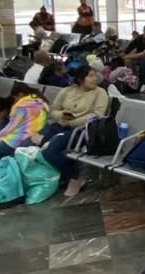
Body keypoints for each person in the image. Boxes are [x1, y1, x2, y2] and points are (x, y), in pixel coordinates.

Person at [41, 65, 108, 197]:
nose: (94, 79)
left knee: (50, 151)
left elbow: (97, 115)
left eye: (95, 75)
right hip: (60, 125)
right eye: (90, 76)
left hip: (81, 131)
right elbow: (53, 109)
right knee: (31, 143)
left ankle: (74, 176)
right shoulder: (67, 91)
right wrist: (61, 116)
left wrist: (72, 122)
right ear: (80, 78)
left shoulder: (100, 93)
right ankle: (54, 175)